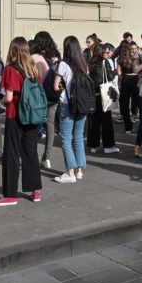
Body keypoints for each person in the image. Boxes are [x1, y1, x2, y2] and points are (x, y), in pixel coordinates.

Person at [0, 37, 44, 206]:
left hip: (15, 115)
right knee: (30, 152)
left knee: (12, 154)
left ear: (13, 50)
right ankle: (35, 190)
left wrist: (0, 101)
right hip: (32, 116)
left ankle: (10, 195)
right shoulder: (32, 68)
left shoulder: (10, 69)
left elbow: (9, 97)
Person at [52, 36, 89, 184]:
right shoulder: (84, 64)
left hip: (68, 104)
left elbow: (56, 86)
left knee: (66, 138)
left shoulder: (63, 64)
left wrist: (62, 86)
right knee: (78, 136)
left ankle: (70, 172)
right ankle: (79, 170)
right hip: (82, 104)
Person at [31, 31, 61, 169]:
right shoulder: (56, 55)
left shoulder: (35, 57)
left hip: (39, 94)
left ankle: (32, 155)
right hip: (53, 94)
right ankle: (46, 158)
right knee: (50, 125)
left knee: (34, 124)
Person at [88, 44, 120, 154]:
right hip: (104, 94)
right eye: (106, 52)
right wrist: (115, 70)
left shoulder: (91, 62)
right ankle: (108, 146)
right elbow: (110, 77)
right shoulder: (104, 62)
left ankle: (94, 145)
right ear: (101, 53)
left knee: (93, 121)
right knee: (106, 121)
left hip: (93, 94)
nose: (108, 54)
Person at [116, 40, 140, 133]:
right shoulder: (136, 57)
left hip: (125, 80)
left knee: (125, 105)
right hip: (135, 79)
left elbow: (119, 73)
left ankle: (128, 128)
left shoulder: (121, 58)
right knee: (139, 102)